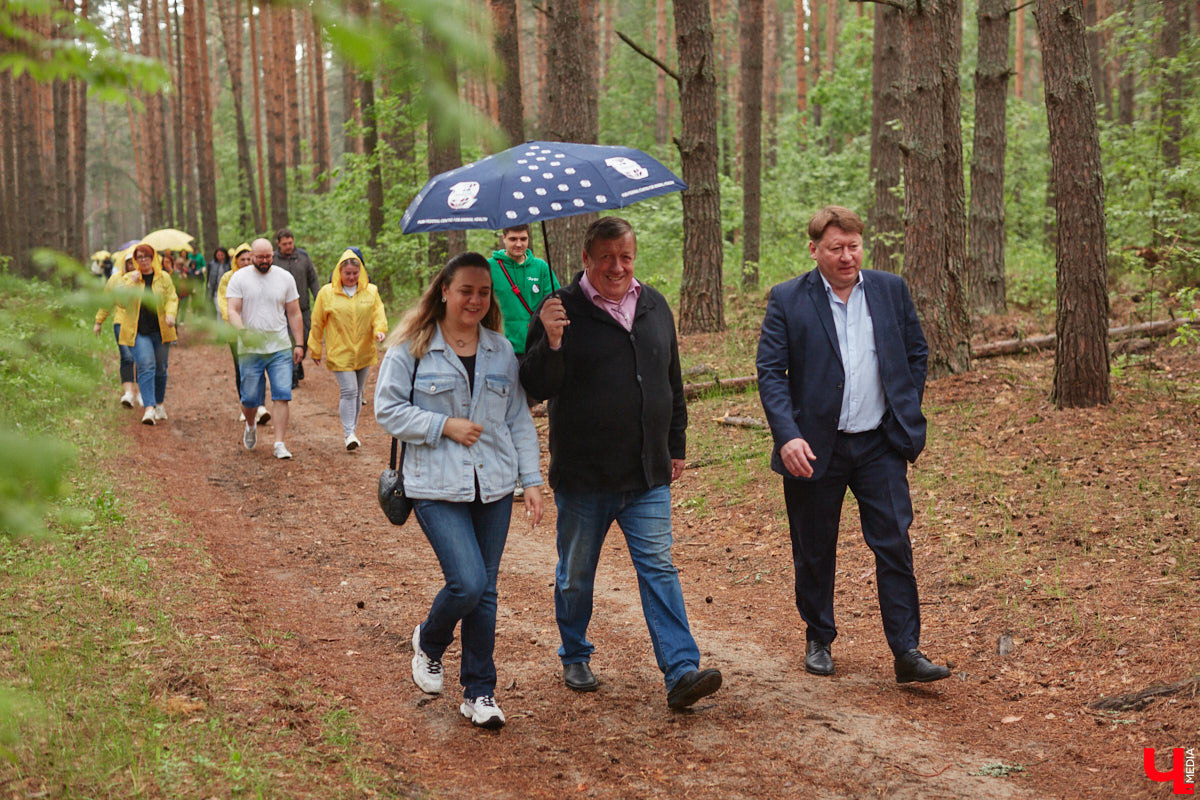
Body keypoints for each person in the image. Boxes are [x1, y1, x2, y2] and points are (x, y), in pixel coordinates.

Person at [520, 216, 723, 711]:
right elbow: (535, 387)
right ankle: (574, 650)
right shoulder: (559, 309)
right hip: (585, 476)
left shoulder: (654, 305)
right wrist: (550, 340)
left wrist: (676, 443)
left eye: (625, 256)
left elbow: (671, 381)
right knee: (575, 575)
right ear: (586, 258)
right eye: (606, 256)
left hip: (646, 472)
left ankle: (681, 671)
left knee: (658, 567)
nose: (617, 266)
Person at [755, 205, 951, 684]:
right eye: (836, 248)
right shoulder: (788, 299)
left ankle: (906, 651)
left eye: (854, 246)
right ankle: (819, 635)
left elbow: (915, 352)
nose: (847, 257)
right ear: (814, 250)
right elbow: (770, 374)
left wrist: (903, 405)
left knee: (894, 544)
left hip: (879, 444)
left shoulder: (889, 289)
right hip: (814, 448)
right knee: (815, 546)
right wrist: (788, 435)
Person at [374, 251, 544, 731]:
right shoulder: (412, 345)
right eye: (465, 289)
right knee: (467, 582)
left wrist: (531, 479)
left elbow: (517, 420)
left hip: (493, 482)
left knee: (485, 591)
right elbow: (386, 411)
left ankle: (479, 691)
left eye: (483, 292)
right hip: (434, 483)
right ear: (444, 290)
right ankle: (429, 641)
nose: (474, 299)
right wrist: (442, 424)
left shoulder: (500, 350)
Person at [226, 238, 304, 460]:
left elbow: (294, 312)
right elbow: (233, 310)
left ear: (273, 254)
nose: (264, 261)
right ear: (251, 256)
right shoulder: (239, 278)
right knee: (249, 398)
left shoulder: (284, 278)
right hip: (251, 347)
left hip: (279, 346)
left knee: (282, 395)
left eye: (268, 257)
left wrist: (299, 343)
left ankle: (279, 443)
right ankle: (250, 424)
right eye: (259, 257)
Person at [307, 249, 388, 451]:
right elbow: (317, 322)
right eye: (348, 273)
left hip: (364, 350)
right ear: (339, 273)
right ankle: (348, 433)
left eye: (355, 273)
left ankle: (353, 430)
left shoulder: (371, 291)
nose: (352, 277)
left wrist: (380, 330)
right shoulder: (326, 293)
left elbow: (378, 314)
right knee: (349, 390)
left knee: (359, 393)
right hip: (340, 351)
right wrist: (315, 348)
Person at [118, 242, 179, 425]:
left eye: (146, 256)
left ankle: (159, 404)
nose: (143, 260)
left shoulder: (164, 278)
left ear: (153, 258)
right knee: (145, 365)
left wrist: (170, 314)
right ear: (135, 260)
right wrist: (131, 282)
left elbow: (172, 298)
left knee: (161, 369)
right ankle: (149, 409)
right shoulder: (130, 278)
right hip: (138, 331)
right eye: (140, 257)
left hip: (161, 331)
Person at [487, 224, 559, 361]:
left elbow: (554, 303)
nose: (519, 244)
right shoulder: (489, 267)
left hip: (535, 347)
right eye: (513, 239)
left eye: (523, 239)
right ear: (504, 238)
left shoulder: (541, 267)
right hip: (499, 349)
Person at [218, 243, 270, 427]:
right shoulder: (228, 278)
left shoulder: (261, 276)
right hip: (236, 332)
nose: (246, 262)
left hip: (258, 329)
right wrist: (235, 319)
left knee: (259, 365)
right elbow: (224, 302)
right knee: (241, 368)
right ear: (236, 261)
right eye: (243, 259)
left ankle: (261, 405)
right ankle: (245, 405)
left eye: (249, 259)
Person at [273, 228, 320, 388]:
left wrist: (319, 297)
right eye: (284, 244)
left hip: (303, 307)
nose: (288, 246)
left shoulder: (303, 257)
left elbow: (312, 279)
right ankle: (291, 374)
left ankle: (298, 362)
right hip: (281, 310)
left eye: (290, 243)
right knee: (288, 341)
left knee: (304, 340)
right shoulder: (273, 260)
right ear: (278, 244)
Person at [93, 249, 140, 408]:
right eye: (129, 262)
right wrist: (98, 321)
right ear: (124, 264)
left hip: (141, 323)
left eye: (134, 262)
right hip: (121, 322)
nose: (132, 265)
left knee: (141, 358)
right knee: (127, 357)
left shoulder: (143, 278)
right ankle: (128, 393)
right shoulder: (115, 279)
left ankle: (141, 393)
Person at [207, 246, 231, 314]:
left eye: (222, 255)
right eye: (218, 255)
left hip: (226, 289)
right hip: (216, 290)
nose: (220, 257)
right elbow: (209, 277)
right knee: (219, 309)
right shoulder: (212, 264)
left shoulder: (229, 264)